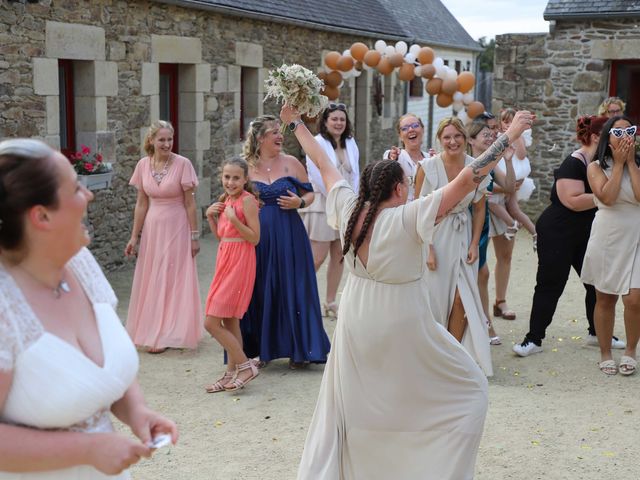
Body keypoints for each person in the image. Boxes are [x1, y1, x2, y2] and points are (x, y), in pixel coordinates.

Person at [280, 103, 534, 478]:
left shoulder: (349, 207)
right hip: (402, 319)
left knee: (361, 399)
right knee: (469, 386)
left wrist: (297, 124)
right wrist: (509, 138)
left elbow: (321, 160)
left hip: (357, 317)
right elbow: (470, 176)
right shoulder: (409, 216)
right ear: (399, 187)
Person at [0, 139, 178, 478]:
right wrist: (87, 449)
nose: (89, 195)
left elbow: (102, 370)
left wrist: (137, 411)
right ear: (42, 215)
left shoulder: (80, 263)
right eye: (75, 188)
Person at [513, 116, 627, 357]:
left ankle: (597, 333)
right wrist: (606, 195)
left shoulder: (604, 162)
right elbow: (572, 201)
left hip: (587, 231)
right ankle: (533, 339)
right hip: (558, 230)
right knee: (551, 284)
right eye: (612, 134)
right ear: (597, 137)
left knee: (596, 284)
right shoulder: (573, 163)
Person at [241, 115, 331, 367]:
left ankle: (299, 349)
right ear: (259, 138)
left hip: (290, 233)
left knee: (293, 286)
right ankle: (259, 349)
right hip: (258, 236)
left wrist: (299, 202)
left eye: (280, 132)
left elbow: (311, 193)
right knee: (259, 287)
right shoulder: (246, 167)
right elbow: (232, 195)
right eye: (274, 133)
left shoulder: (291, 163)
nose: (280, 136)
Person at [413, 117, 493, 376]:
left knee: (463, 298)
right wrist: (428, 247)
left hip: (463, 233)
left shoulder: (476, 167)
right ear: (439, 139)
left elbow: (480, 206)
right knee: (435, 300)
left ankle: (453, 354)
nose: (452, 141)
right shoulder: (427, 167)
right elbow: (417, 209)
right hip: (435, 235)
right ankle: (432, 356)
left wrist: (474, 243)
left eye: (457, 136)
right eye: (447, 137)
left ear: (465, 138)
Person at [124, 121, 202, 353]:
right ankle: (151, 329)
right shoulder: (142, 165)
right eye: (162, 140)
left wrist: (194, 236)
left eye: (170, 139)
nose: (167, 144)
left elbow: (190, 204)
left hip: (177, 226)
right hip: (152, 229)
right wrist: (134, 237)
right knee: (153, 275)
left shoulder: (183, 164)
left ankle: (167, 333)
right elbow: (141, 204)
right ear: (151, 141)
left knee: (171, 276)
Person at [581, 116, 640, 376]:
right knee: (605, 297)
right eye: (618, 131)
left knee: (635, 300)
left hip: (636, 234)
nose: (625, 135)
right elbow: (607, 196)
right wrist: (617, 165)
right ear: (608, 136)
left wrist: (629, 163)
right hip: (607, 234)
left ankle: (630, 350)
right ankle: (605, 353)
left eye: (630, 130)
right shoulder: (595, 167)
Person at [203, 157, 261, 392]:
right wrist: (210, 217)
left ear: (245, 179)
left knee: (210, 322)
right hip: (225, 258)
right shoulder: (226, 200)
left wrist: (236, 219)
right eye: (227, 177)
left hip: (240, 261)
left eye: (236, 177)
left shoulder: (248, 202)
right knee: (229, 319)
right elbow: (222, 236)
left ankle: (246, 366)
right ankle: (231, 371)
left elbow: (255, 238)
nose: (231, 182)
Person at [301, 103, 360, 318]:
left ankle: (330, 301)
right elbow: (316, 174)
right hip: (323, 204)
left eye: (342, 119)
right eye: (334, 119)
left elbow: (355, 175)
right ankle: (299, 297)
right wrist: (337, 198)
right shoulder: (316, 143)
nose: (338, 123)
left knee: (340, 256)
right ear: (325, 121)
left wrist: (353, 201)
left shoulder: (351, 143)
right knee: (317, 257)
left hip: (346, 205)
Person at [467, 119, 518, 346]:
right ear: (471, 140)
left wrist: (507, 161)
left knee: (481, 273)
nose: (490, 138)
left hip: (481, 219)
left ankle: (484, 320)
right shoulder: (466, 162)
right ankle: (478, 321)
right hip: (463, 220)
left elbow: (508, 187)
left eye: (491, 134)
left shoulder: (492, 162)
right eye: (484, 135)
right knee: (477, 274)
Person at [487, 108, 537, 250]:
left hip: (514, 173)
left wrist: (516, 137)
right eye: (505, 121)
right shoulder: (497, 136)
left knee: (494, 202)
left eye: (511, 121)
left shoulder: (518, 136)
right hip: (502, 174)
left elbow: (521, 155)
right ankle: (531, 231)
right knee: (513, 208)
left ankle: (518, 226)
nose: (508, 124)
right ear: (500, 122)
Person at [383, 113, 431, 202]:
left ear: (423, 129)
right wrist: (392, 156)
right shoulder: (399, 156)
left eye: (415, 125)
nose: (411, 129)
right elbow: (388, 160)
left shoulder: (430, 158)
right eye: (405, 128)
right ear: (400, 136)